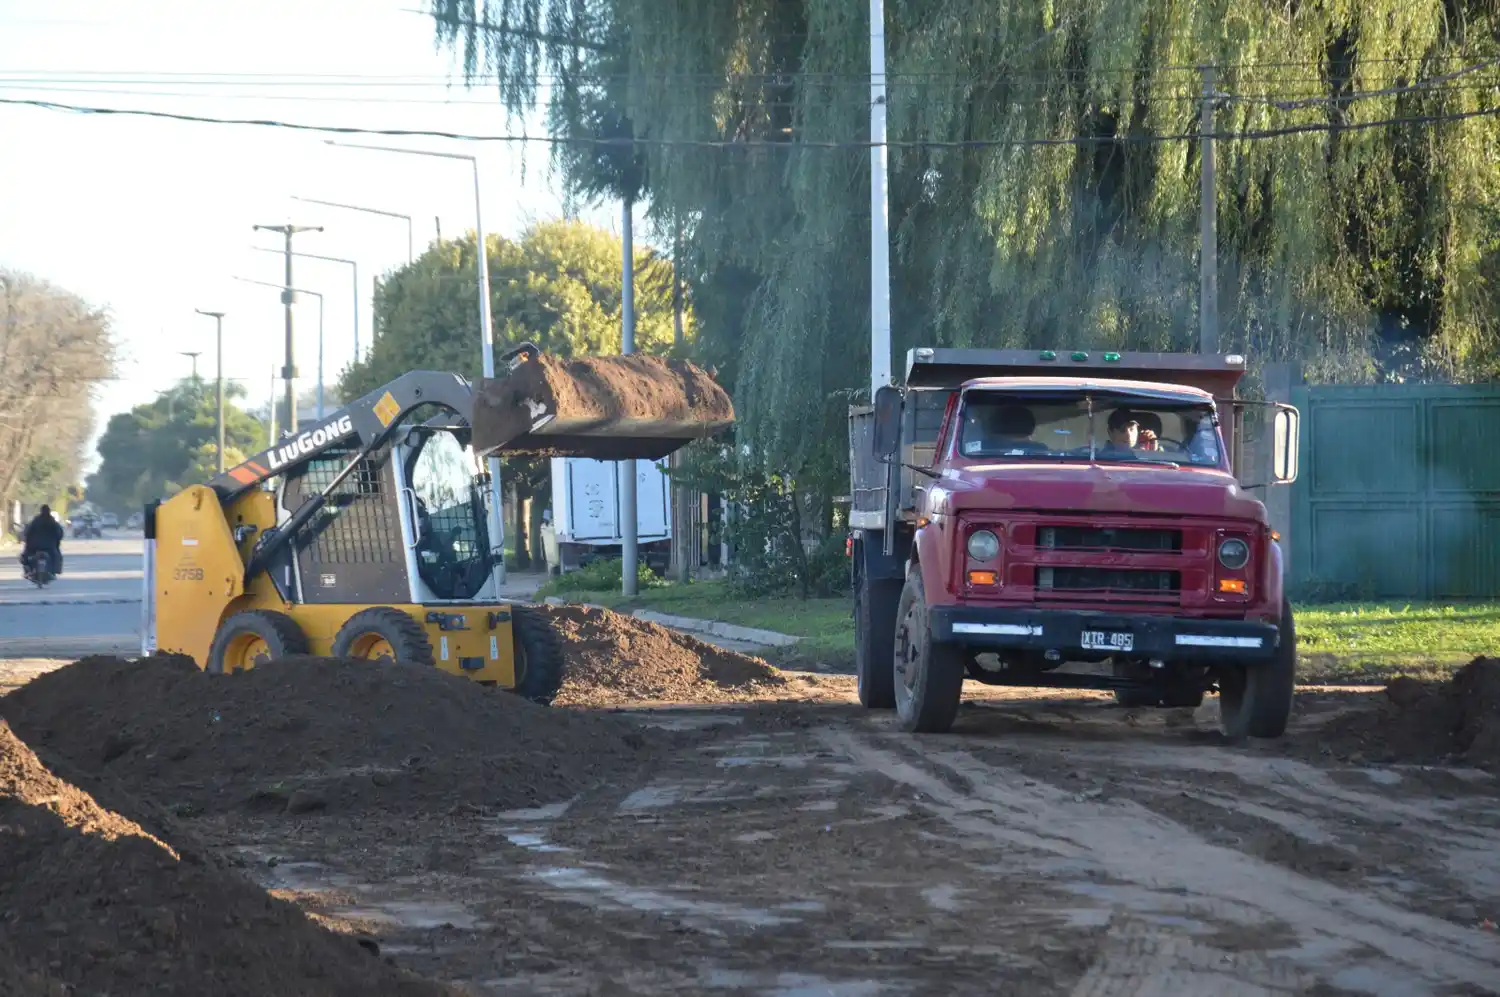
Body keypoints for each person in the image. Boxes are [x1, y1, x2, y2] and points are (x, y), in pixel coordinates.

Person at [21, 504, 64, 576]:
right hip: (49, 546)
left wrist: (27, 539)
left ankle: (28, 570)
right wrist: (57, 541)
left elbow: (27, 531)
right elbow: (59, 533)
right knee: (56, 556)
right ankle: (54, 570)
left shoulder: (36, 520)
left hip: (35, 546)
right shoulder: (52, 521)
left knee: (26, 555)